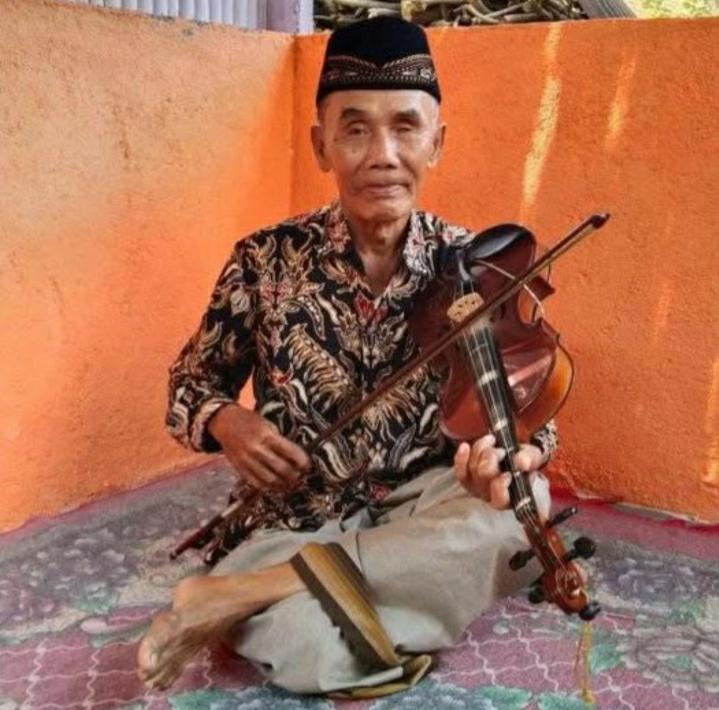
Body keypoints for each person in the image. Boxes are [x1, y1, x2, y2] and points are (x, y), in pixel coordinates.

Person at [137, 16, 560, 696]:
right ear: (321, 145)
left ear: (437, 143)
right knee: (309, 651)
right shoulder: (263, 259)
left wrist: (508, 456)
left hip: (422, 504)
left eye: (405, 128)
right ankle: (372, 599)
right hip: (298, 516)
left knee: (523, 504)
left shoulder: (477, 268)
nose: (382, 155)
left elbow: (529, 413)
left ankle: (252, 593)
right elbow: (189, 382)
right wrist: (226, 420)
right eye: (355, 129)